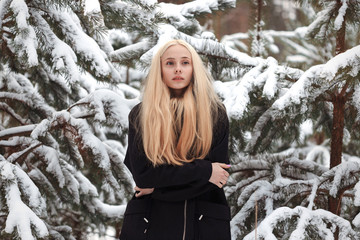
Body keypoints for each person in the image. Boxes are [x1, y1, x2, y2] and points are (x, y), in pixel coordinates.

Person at [119, 39, 231, 240]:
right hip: (151, 224)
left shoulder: (215, 113)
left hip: (203, 224)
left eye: (185, 63)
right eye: (170, 63)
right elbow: (143, 176)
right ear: (160, 69)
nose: (178, 69)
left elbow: (218, 178)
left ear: (194, 68)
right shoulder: (140, 115)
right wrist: (204, 170)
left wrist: (157, 188)